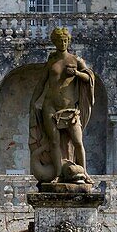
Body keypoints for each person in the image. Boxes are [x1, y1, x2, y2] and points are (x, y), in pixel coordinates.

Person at [28, 27, 95, 186]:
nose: (63, 43)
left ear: (69, 41)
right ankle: (58, 174)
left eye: (65, 40)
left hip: (70, 109)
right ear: (54, 42)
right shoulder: (51, 61)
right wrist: (33, 102)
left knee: (78, 142)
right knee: (54, 143)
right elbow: (41, 84)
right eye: (59, 41)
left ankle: (84, 173)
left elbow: (89, 78)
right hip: (50, 106)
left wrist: (77, 74)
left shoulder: (76, 60)